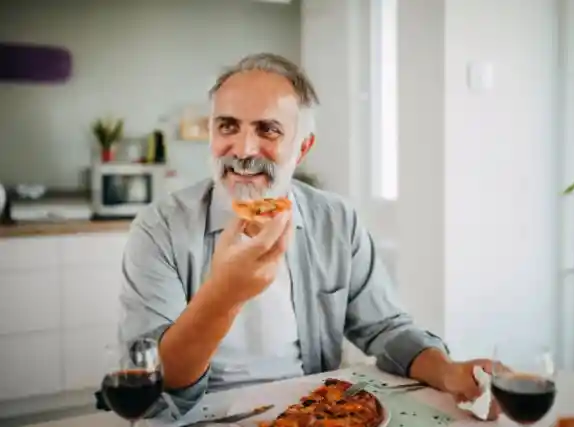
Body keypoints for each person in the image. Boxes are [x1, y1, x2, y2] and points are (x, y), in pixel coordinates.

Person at [118, 53, 498, 421]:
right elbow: (154, 379)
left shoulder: (336, 220)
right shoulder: (159, 228)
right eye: (228, 126)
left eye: (268, 130)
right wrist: (224, 295)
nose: (245, 150)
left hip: (311, 412)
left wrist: (449, 372)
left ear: (302, 148)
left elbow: (386, 329)